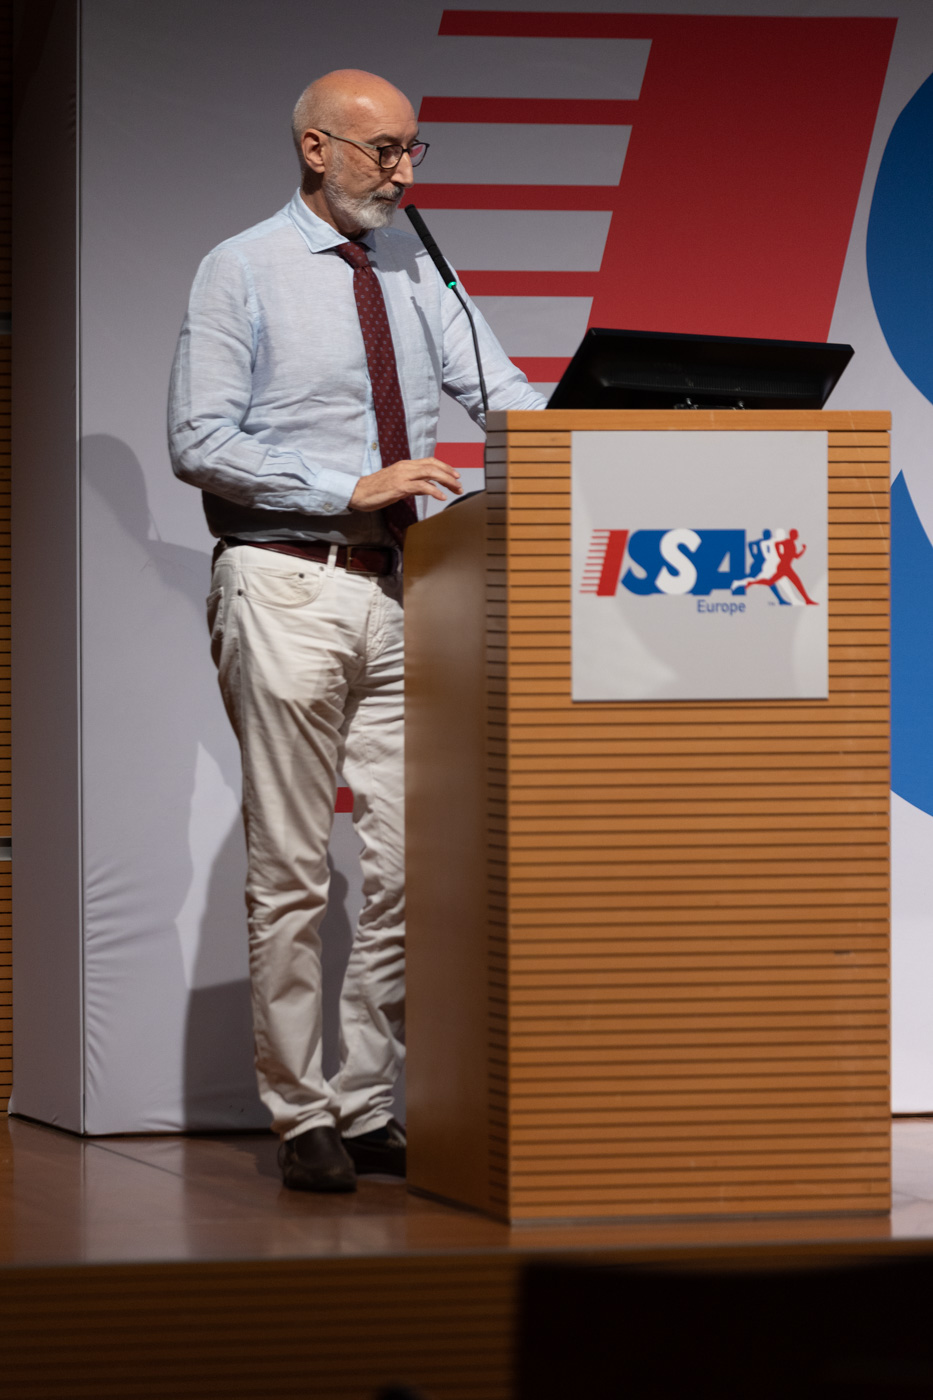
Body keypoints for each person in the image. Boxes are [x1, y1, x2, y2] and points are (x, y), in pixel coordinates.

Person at [167, 69, 546, 1192]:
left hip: (406, 591)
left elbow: (507, 396)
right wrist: (348, 484)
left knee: (413, 864)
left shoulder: (418, 271)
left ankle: (367, 1100)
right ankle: (300, 1111)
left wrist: (621, 433)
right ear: (315, 148)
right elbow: (199, 438)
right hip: (288, 581)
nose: (404, 172)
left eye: (414, 149)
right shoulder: (241, 268)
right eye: (384, 150)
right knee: (292, 868)